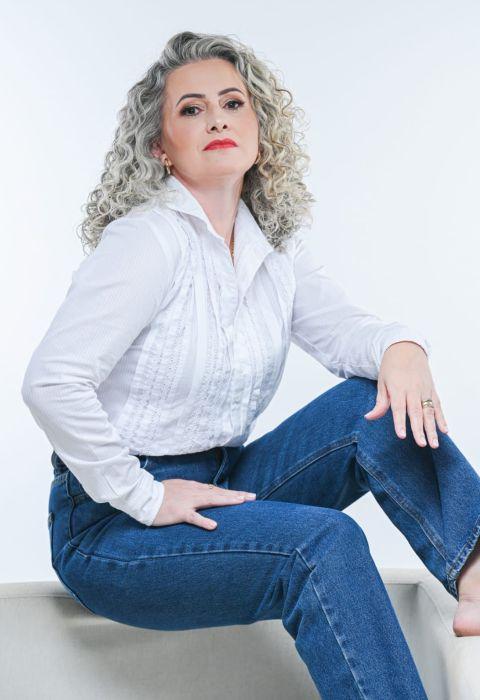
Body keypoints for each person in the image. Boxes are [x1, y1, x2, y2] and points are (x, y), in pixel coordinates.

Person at [21, 30, 480, 699]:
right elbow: (51, 382)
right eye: (191, 109)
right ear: (160, 146)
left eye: (233, 103)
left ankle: (475, 569)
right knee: (323, 544)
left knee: (371, 405)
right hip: (112, 528)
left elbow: (346, 332)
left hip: (221, 487)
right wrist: (145, 495)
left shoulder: (270, 249)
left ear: (260, 132)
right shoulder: (146, 242)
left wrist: (401, 349)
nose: (217, 119)